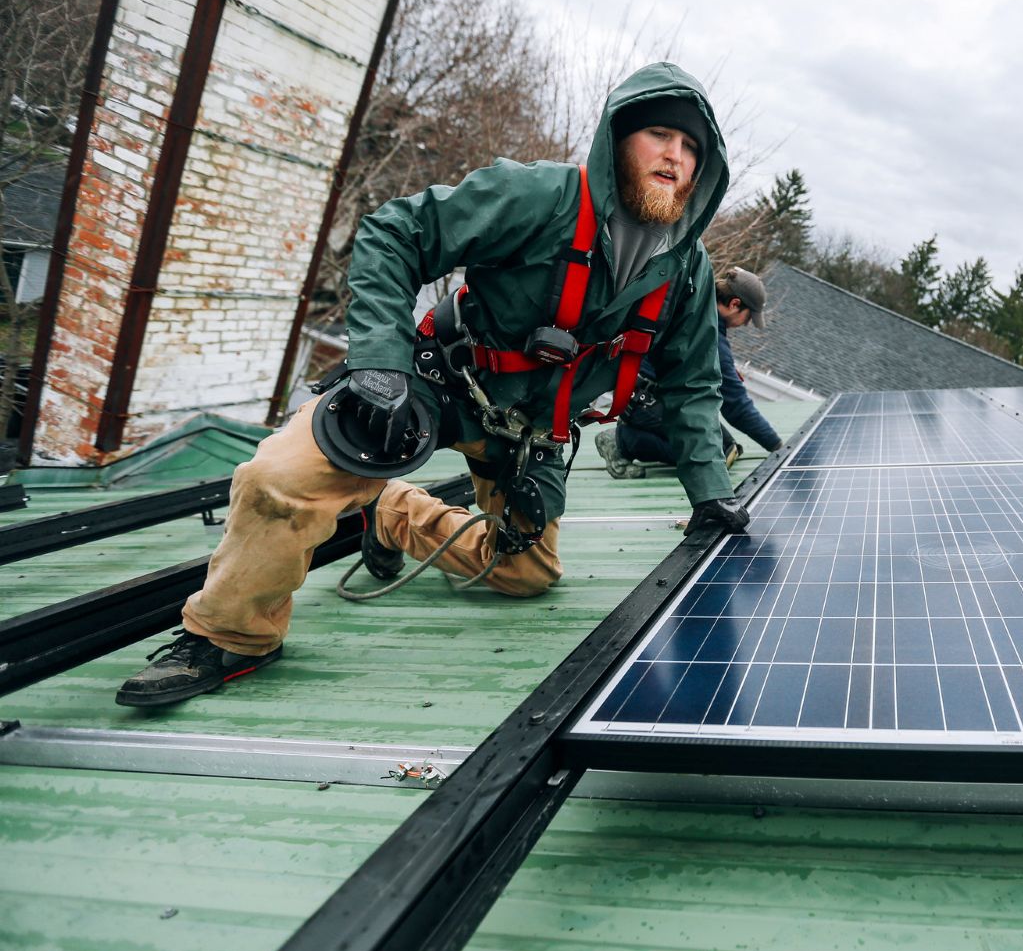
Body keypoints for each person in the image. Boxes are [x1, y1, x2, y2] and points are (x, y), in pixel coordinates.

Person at [116, 63, 750, 707]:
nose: (676, 155)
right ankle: (228, 636)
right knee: (276, 479)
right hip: (438, 386)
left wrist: (709, 493)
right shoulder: (538, 197)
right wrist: (380, 364)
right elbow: (396, 233)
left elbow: (693, 386)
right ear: (618, 140)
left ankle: (391, 515)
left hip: (532, 434)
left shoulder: (690, 275)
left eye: (692, 146)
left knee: (526, 571)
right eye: (661, 135)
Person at [595, 267, 782, 479]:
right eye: (748, 318)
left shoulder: (693, 304)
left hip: (646, 396)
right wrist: (777, 446)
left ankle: (637, 431)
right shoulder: (708, 335)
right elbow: (736, 406)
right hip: (646, 402)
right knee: (716, 453)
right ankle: (623, 441)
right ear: (734, 304)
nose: (746, 324)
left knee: (728, 446)